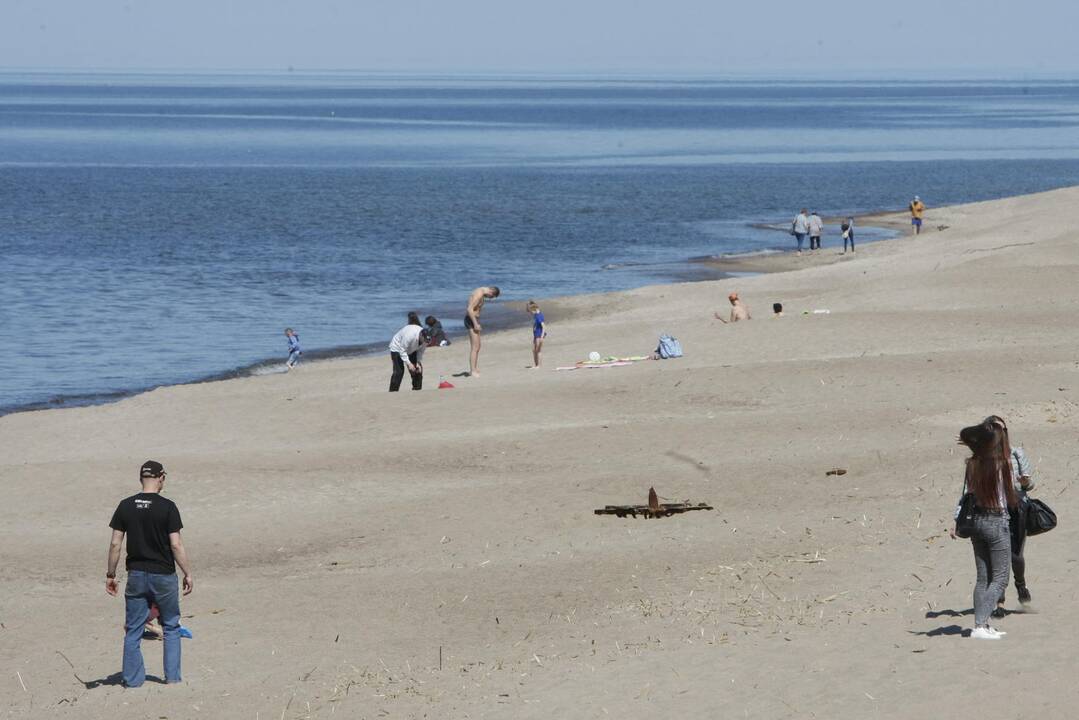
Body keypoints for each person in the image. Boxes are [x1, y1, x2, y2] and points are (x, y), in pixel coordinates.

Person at [106, 461, 193, 686]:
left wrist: (110, 574)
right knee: (171, 626)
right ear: (161, 477)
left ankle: (133, 681)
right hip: (163, 575)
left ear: (141, 478)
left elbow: (116, 544)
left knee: (133, 629)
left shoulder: (125, 505)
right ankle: (172, 678)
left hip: (136, 574)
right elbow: (176, 545)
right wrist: (187, 572)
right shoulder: (168, 507)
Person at [950, 421, 1018, 639]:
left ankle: (983, 625)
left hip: (976, 521)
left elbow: (965, 495)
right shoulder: (1002, 464)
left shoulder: (973, 463)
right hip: (996, 521)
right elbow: (1011, 495)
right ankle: (980, 625)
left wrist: (955, 521)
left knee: (983, 578)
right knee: (1000, 579)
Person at [985, 415, 1035, 613]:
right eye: (996, 430)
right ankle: (1000, 601)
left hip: (1017, 509)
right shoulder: (984, 459)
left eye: (1003, 430)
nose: (1000, 434)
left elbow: (1030, 484)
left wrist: (1024, 483)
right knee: (997, 556)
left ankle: (1020, 584)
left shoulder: (1016, 454)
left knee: (1016, 555)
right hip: (994, 511)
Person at [465, 286, 500, 377]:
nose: (490, 299)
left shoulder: (481, 293)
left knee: (478, 346)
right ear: (491, 292)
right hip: (471, 320)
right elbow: (469, 309)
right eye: (491, 297)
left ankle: (474, 368)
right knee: (475, 347)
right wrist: (475, 324)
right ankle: (472, 371)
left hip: (474, 320)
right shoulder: (479, 294)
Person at [388, 323, 429, 391]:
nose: (425, 342)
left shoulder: (426, 339)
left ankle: (417, 390)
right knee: (399, 372)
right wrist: (409, 364)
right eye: (424, 340)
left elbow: (421, 351)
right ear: (421, 335)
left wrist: (418, 362)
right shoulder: (410, 335)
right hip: (397, 347)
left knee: (418, 370)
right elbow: (402, 350)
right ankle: (393, 392)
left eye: (427, 341)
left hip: (412, 349)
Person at [527, 301, 546, 368]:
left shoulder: (539, 316)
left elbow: (544, 326)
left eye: (530, 311)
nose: (531, 313)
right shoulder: (536, 314)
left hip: (539, 334)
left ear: (534, 309)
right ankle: (536, 364)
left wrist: (541, 337)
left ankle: (539, 365)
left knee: (538, 350)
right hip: (536, 334)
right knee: (533, 350)